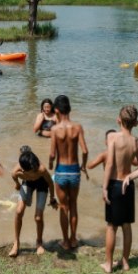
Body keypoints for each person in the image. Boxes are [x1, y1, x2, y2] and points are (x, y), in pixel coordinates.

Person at [101, 104, 138, 274]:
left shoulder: (113, 137)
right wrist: (130, 176)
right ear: (135, 123)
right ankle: (126, 262)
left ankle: (108, 264)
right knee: (127, 226)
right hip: (128, 187)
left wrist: (105, 188)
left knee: (111, 226)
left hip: (114, 184)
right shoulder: (136, 141)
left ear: (118, 120)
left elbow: (110, 164)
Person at [49, 94, 89, 250]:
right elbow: (85, 151)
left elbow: (52, 154)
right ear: (69, 109)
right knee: (73, 205)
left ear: (57, 110)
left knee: (63, 207)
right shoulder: (77, 127)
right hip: (74, 171)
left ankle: (65, 241)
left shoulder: (54, 129)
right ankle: (73, 239)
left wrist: (51, 163)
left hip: (61, 171)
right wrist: (83, 166)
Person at [9, 150, 57, 257]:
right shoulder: (17, 172)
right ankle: (16, 243)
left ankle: (39, 242)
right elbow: (13, 176)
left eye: (36, 167)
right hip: (27, 183)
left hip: (42, 184)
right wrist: (17, 184)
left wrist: (52, 198)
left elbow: (50, 183)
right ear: (23, 170)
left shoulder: (41, 169)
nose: (35, 169)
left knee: (38, 217)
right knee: (18, 211)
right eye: (32, 169)